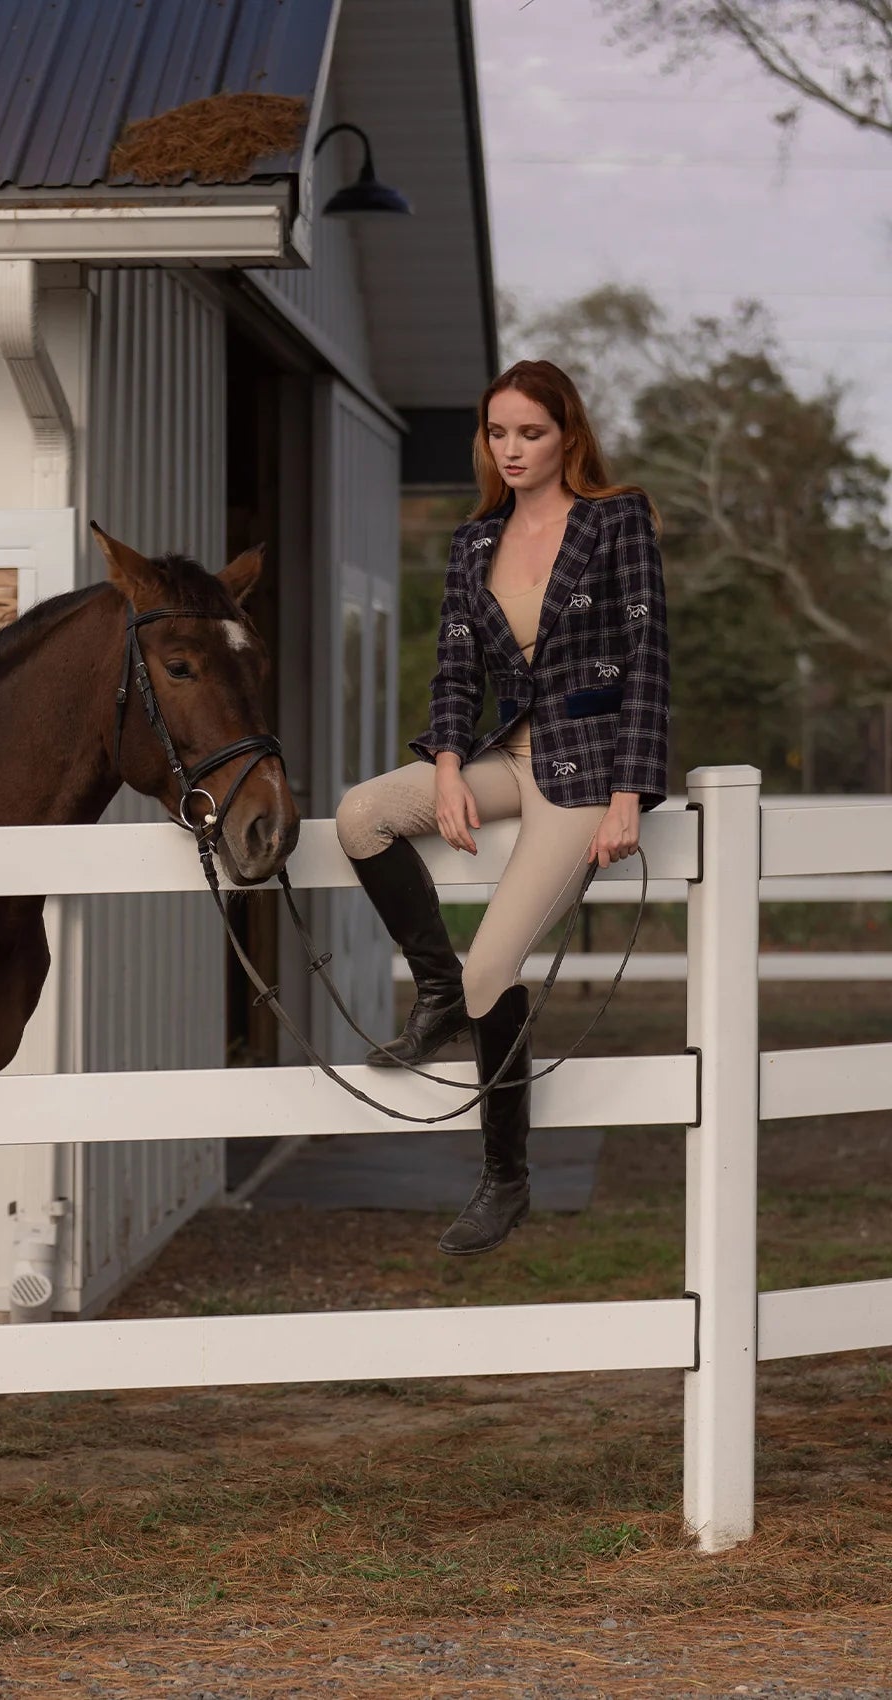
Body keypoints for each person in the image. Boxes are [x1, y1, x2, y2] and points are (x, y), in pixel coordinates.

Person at [336, 359, 669, 1256]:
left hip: (585, 773)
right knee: (359, 814)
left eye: (532, 432)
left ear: (568, 436)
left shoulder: (615, 522)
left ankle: (506, 1178)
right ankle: (434, 988)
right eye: (498, 432)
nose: (513, 449)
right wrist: (446, 767)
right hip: (503, 755)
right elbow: (455, 669)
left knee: (498, 970)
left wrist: (630, 794)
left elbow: (648, 659)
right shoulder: (473, 542)